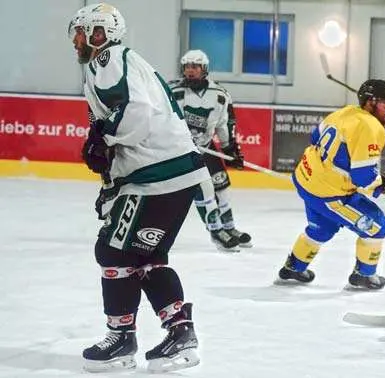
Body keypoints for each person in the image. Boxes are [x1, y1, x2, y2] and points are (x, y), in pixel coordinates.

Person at [70, 3, 203, 373]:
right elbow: (128, 119)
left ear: (98, 33)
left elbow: (137, 113)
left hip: (158, 177)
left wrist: (104, 135)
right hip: (166, 177)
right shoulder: (121, 59)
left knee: (114, 252)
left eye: (80, 33)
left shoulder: (107, 58)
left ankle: (121, 338)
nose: (76, 41)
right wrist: (111, 184)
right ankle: (179, 332)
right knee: (144, 258)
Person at [277, 79, 385, 290]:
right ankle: (364, 274)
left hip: (306, 180)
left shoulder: (345, 112)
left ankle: (293, 267)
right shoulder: (370, 126)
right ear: (370, 103)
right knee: (377, 226)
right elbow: (364, 178)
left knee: (322, 228)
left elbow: (315, 136)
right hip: (329, 193)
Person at [169, 49, 251, 252]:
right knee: (204, 188)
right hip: (182, 151)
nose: (190, 71)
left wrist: (230, 149)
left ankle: (229, 228)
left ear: (204, 69)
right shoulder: (172, 92)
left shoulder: (220, 95)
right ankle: (216, 231)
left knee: (221, 185)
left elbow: (225, 124)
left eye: (195, 67)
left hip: (206, 147)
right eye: (187, 67)